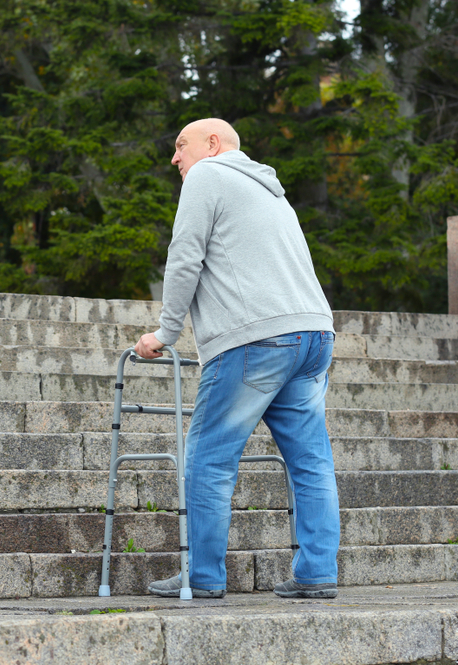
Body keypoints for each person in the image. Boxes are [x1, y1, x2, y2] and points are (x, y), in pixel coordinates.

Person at [134, 118, 341, 599]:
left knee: (208, 460)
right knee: (310, 463)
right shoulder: (272, 192)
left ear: (213, 144)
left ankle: (203, 577)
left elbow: (185, 256)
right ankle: (316, 574)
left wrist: (165, 333)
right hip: (313, 335)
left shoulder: (209, 175)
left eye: (180, 145)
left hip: (256, 341)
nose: (174, 158)